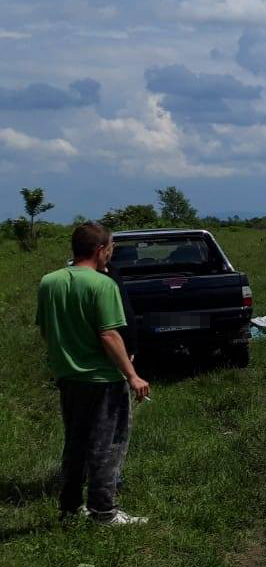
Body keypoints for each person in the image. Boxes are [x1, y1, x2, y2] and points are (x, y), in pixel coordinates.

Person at [35, 222, 152, 526]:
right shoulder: (103, 284)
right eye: (110, 248)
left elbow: (47, 329)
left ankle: (70, 508)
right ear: (100, 249)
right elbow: (109, 335)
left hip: (68, 377)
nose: (110, 254)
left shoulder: (49, 282)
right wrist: (132, 375)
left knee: (75, 443)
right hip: (103, 380)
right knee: (107, 446)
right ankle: (103, 511)